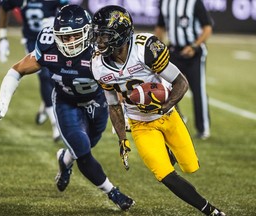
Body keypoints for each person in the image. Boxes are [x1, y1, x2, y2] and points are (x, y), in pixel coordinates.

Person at [0, 4, 135, 211]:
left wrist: (122, 110)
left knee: (89, 142)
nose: (69, 42)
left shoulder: (100, 47)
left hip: (98, 100)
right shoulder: (49, 44)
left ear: (87, 33)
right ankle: (113, 192)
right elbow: (18, 69)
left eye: (75, 36)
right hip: (66, 100)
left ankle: (64, 159)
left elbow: (120, 80)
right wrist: (2, 100)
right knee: (83, 151)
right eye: (64, 37)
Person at [90, 5, 225, 216]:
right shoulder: (98, 65)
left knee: (190, 166)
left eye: (105, 36)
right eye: (97, 35)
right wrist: (121, 138)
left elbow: (181, 82)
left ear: (121, 34)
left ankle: (168, 148)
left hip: (167, 115)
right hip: (139, 124)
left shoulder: (145, 48)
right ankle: (211, 211)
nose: (99, 41)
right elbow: (114, 105)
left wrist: (164, 105)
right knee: (164, 174)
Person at [0, 0, 69, 142]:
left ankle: (47, 104)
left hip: (53, 38)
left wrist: (57, 22)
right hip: (32, 41)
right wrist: (2, 37)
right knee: (44, 76)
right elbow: (4, 7)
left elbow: (69, 11)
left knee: (56, 75)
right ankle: (55, 123)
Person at [154, 0, 213, 140]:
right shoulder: (165, 2)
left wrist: (194, 46)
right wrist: (157, 48)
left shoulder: (194, 2)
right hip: (173, 51)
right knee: (164, 87)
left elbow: (207, 27)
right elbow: (160, 27)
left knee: (197, 90)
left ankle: (203, 128)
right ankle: (179, 118)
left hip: (194, 54)